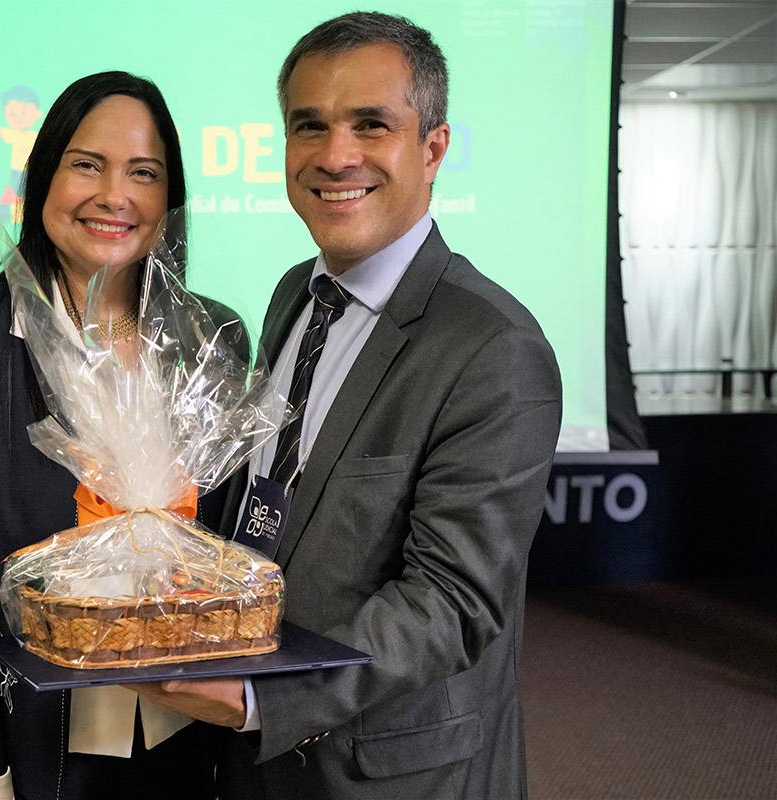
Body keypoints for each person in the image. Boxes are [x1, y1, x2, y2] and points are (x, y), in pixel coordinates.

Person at [130, 12, 563, 799]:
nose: (336, 156)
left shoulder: (494, 349)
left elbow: (454, 601)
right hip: (254, 752)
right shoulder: (296, 292)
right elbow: (275, 497)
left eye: (371, 125)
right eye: (310, 126)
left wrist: (269, 697)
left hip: (391, 772)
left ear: (432, 148)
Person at [0, 72, 229, 800]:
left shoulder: (212, 338)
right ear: (44, 178)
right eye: (86, 164)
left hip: (195, 730)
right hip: (33, 741)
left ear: (170, 201)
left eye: (144, 173)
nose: (115, 195)